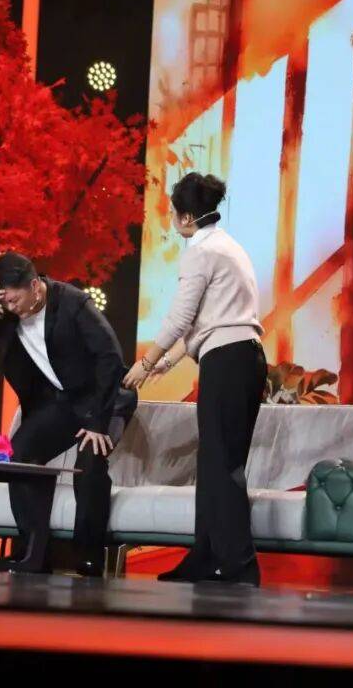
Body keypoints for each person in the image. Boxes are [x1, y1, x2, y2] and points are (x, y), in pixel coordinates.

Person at [123, 172, 267, 585]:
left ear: (186, 217)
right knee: (215, 462)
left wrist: (147, 362)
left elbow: (182, 317)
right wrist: (169, 363)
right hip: (242, 357)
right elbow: (214, 320)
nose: (171, 220)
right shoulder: (227, 246)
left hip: (228, 361)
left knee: (222, 466)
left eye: (173, 213)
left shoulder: (200, 252)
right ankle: (205, 558)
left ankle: (240, 567)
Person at [0, 252, 135, 576]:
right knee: (21, 453)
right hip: (66, 402)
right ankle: (33, 554)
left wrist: (98, 423)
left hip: (107, 398)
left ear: (34, 286)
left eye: (14, 300)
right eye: (6, 302)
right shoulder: (10, 311)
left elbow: (110, 357)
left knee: (89, 461)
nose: (11, 308)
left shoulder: (72, 303)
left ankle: (89, 556)